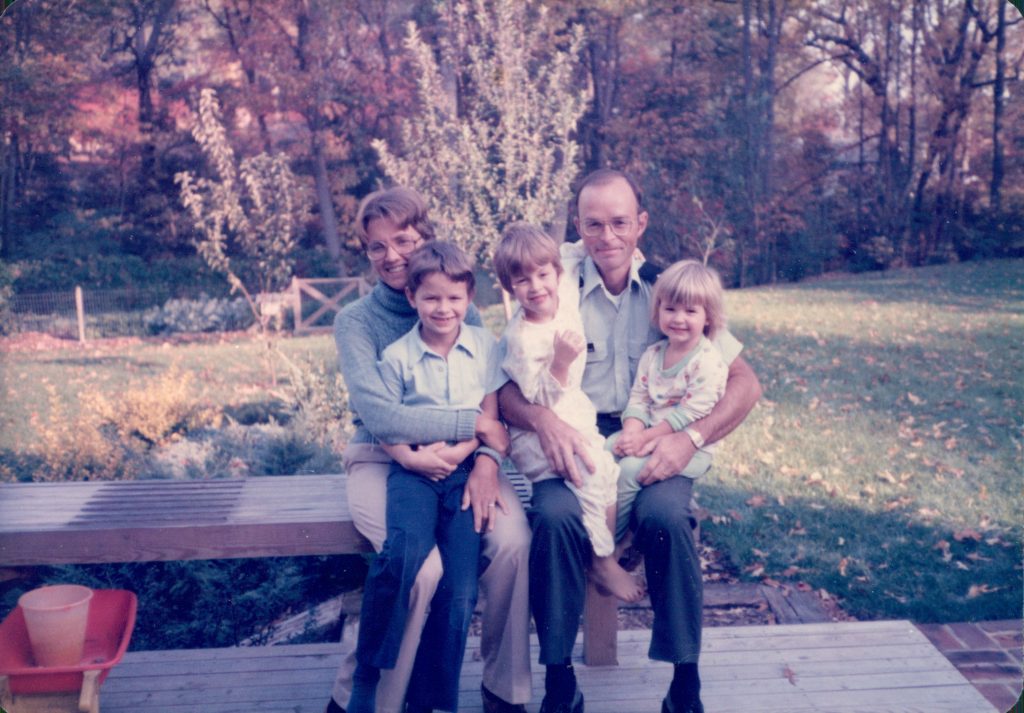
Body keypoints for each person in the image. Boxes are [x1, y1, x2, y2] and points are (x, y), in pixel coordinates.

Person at [498, 169, 762, 713]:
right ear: (578, 227)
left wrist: (689, 439)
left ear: (641, 224)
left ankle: (684, 682)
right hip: (573, 434)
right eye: (593, 224)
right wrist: (544, 422)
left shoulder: (670, 290)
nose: (608, 236)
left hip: (654, 439)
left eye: (620, 222)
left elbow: (746, 383)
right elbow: (501, 387)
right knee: (552, 517)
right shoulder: (553, 283)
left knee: (666, 517)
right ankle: (559, 680)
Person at [330, 187, 531, 713]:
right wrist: (474, 428)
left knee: (512, 541)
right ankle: (372, 699)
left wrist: (488, 461)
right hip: (384, 458)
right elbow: (381, 415)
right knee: (421, 569)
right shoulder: (357, 322)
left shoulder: (465, 312)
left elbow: (494, 395)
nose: (391, 255)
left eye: (402, 240)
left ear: (424, 238)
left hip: (469, 459)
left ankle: (503, 690)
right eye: (377, 247)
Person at [492, 223, 642, 603]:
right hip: (538, 434)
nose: (536, 286)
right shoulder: (521, 339)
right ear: (510, 287)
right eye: (522, 280)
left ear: (556, 273)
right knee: (592, 477)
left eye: (543, 274)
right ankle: (601, 561)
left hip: (575, 416)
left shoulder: (563, 297)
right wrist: (559, 364)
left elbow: (574, 251)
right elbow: (534, 399)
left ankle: (607, 549)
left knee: (607, 471)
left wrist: (631, 253)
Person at [607, 260, 729, 543]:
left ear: (708, 317)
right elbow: (639, 396)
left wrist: (646, 437)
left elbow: (690, 413)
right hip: (650, 432)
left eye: (690, 311)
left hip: (689, 446)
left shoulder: (707, 362)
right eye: (670, 308)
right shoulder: (654, 354)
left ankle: (613, 546)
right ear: (658, 309)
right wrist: (632, 432)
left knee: (626, 472)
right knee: (603, 454)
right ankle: (592, 535)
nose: (678, 318)